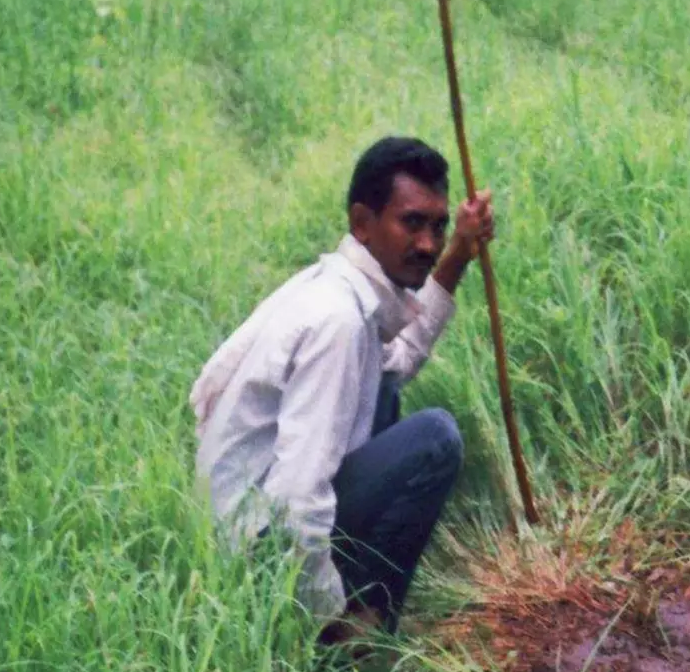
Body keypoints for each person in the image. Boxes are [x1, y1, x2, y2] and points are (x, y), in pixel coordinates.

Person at [190, 137, 494, 641]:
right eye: (411, 223)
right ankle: (360, 637)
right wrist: (327, 614)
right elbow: (295, 495)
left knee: (387, 390)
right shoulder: (338, 322)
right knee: (435, 439)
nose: (427, 243)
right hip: (255, 554)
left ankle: (348, 612)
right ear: (362, 222)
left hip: (245, 524)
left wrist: (459, 255)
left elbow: (397, 361)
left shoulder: (339, 286)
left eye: (438, 227)